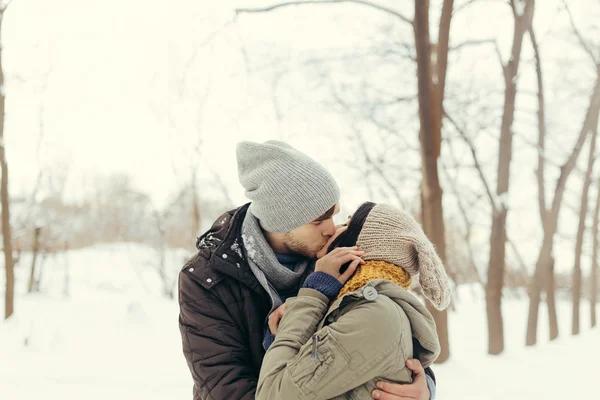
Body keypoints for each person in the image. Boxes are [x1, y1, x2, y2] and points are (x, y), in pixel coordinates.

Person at [178, 141, 437, 399]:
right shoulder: (206, 279)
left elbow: (372, 341)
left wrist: (422, 386)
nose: (331, 229)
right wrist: (314, 293)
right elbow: (224, 387)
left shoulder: (333, 259)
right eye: (318, 221)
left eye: (334, 215)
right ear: (280, 221)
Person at [257, 201, 451, 399]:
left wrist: (313, 295)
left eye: (348, 225)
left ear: (360, 249)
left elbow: (271, 394)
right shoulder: (352, 304)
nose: (335, 229)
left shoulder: (374, 315)